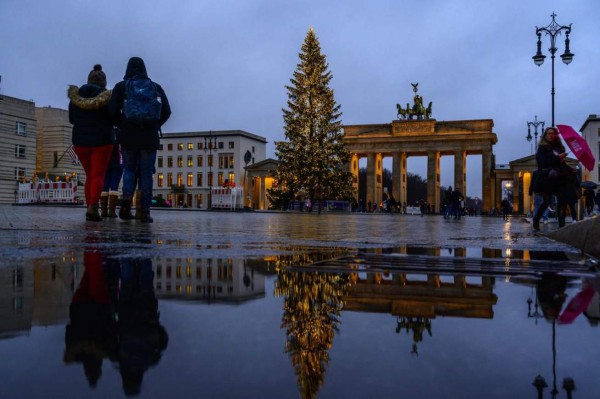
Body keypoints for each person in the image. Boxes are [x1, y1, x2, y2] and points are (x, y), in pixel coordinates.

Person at [109, 57, 171, 223]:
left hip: (129, 136)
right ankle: (144, 211)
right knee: (146, 173)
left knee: (129, 169)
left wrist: (122, 125)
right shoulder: (155, 88)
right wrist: (155, 124)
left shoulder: (122, 87)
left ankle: (126, 205)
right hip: (149, 137)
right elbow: (167, 111)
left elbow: (112, 111)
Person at [68, 64, 114, 221]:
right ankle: (93, 207)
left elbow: (71, 119)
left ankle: (90, 205)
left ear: (88, 80)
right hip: (102, 141)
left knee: (89, 175)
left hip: (81, 141)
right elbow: (113, 118)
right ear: (104, 82)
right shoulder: (107, 97)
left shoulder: (76, 98)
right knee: (98, 175)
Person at [532, 127, 568, 231]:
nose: (551, 135)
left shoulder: (559, 148)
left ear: (556, 135)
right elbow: (543, 162)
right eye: (549, 133)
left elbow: (562, 164)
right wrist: (558, 158)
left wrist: (563, 161)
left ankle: (562, 224)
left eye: (553, 134)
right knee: (547, 201)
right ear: (545, 135)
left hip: (558, 176)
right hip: (547, 177)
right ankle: (536, 219)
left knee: (562, 199)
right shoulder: (542, 148)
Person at [99, 134, 123, 218]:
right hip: (117, 161)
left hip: (105, 160)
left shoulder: (105, 129)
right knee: (114, 186)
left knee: (104, 186)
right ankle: (112, 211)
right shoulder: (120, 132)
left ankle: (103, 211)